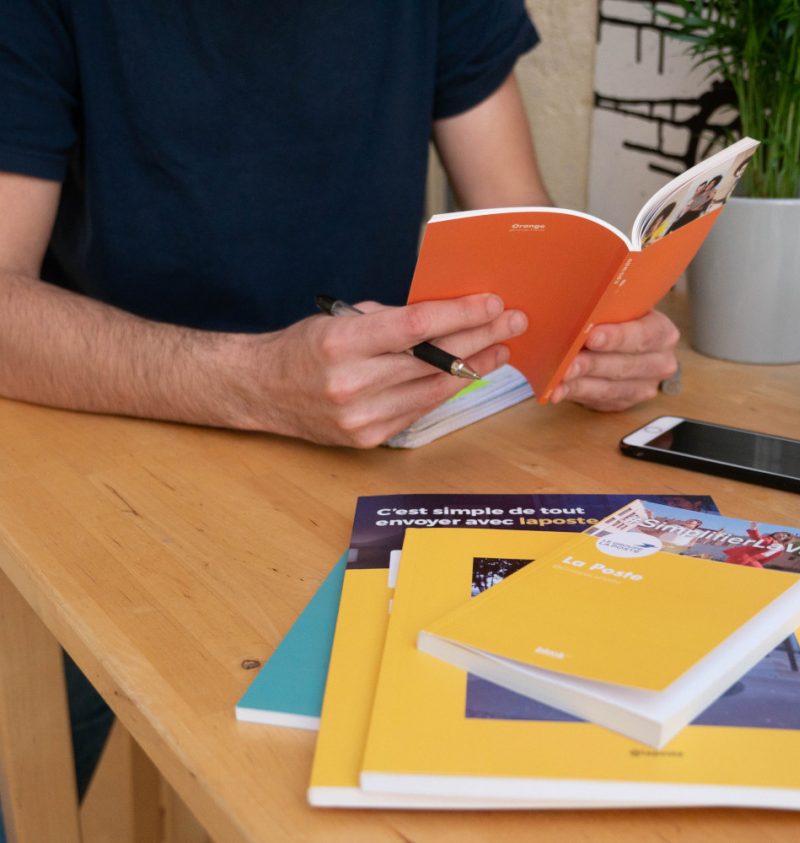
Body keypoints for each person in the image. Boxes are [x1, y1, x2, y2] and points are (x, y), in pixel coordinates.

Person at [0, 0, 680, 824]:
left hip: (382, 466)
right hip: (114, 476)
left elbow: (520, 225)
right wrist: (250, 380)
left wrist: (591, 336)